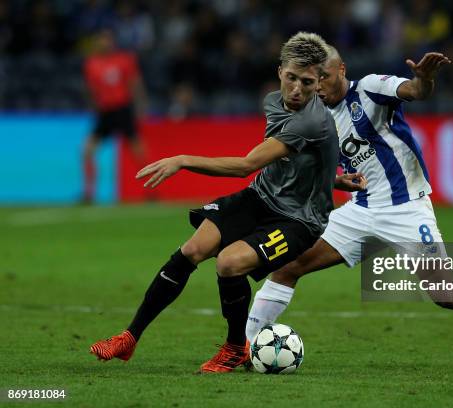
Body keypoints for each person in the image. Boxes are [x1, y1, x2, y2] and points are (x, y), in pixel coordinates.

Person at [90, 32, 361, 373]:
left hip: (298, 221)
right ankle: (129, 337)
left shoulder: (312, 119)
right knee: (192, 249)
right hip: (260, 197)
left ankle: (235, 347)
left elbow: (247, 165)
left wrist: (183, 159)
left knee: (230, 263)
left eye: (307, 83)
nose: (296, 89)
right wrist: (330, 179)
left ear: (320, 81)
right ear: (280, 72)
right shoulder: (274, 102)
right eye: (291, 78)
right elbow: (295, 160)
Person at [246, 47, 453, 344]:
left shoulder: (371, 88)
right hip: (359, 211)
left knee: (447, 295)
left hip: (406, 210)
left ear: (342, 70)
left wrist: (424, 80)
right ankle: (247, 346)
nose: (317, 86)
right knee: (287, 266)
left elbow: (414, 90)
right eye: (313, 80)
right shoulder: (316, 117)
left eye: (325, 77)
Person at [82, 28, 147, 203]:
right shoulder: (91, 63)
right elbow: (91, 89)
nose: (104, 43)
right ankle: (89, 193)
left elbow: (134, 83)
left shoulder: (124, 60)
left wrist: (140, 106)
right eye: (101, 40)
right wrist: (94, 107)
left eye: (107, 40)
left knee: (138, 151)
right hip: (105, 112)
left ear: (113, 42)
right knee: (87, 151)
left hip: (123, 109)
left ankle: (151, 191)